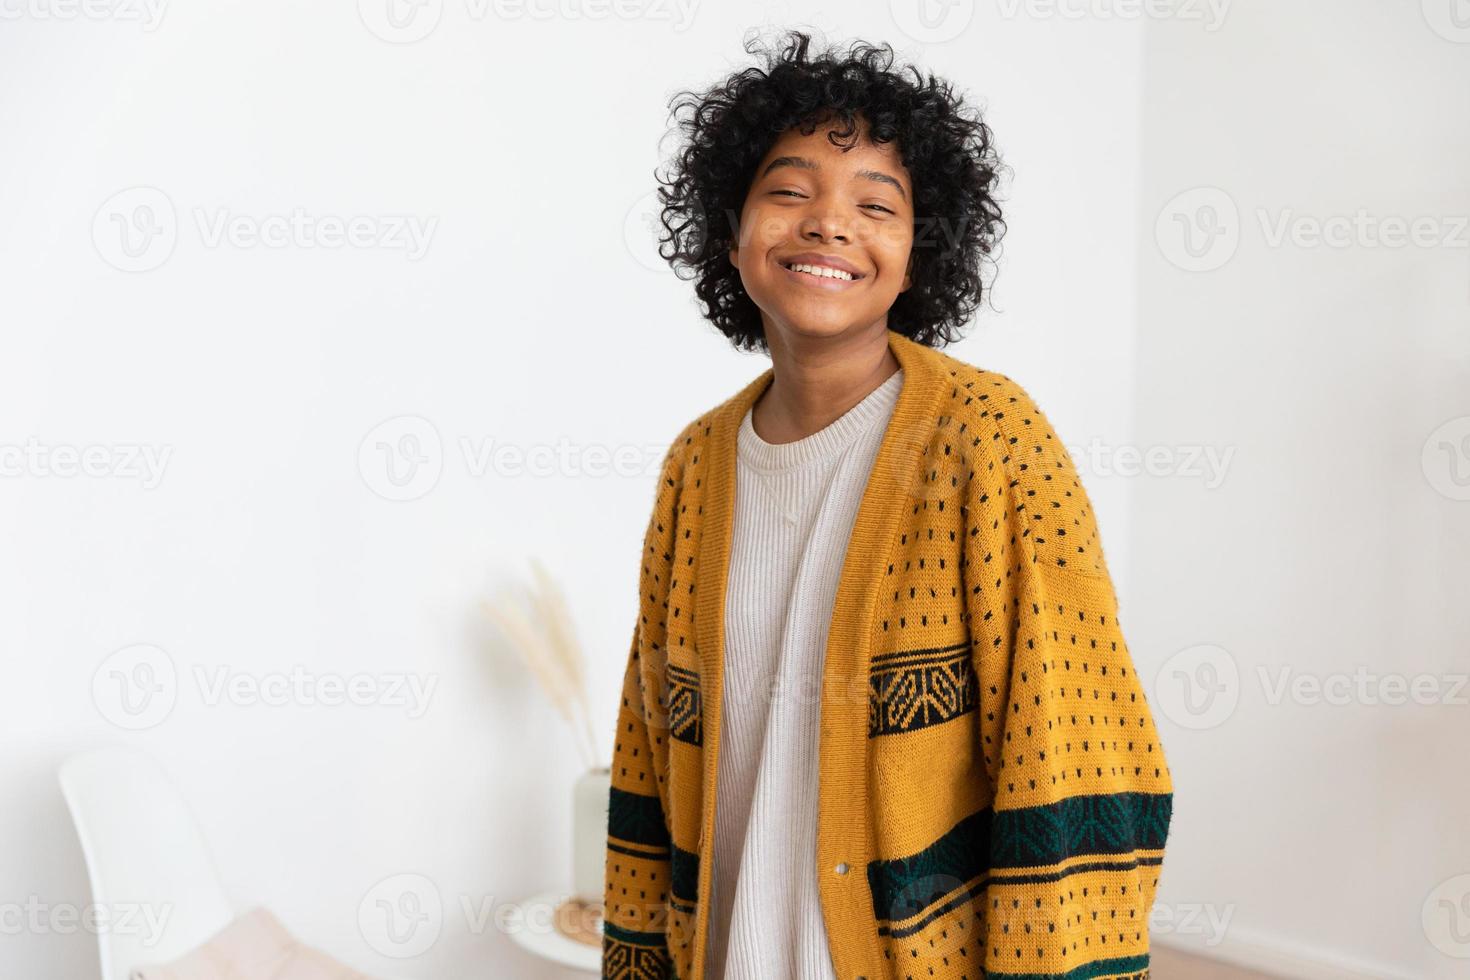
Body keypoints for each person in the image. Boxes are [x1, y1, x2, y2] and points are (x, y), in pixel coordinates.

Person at [603, 29, 1174, 980]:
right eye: (789, 192)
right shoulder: (695, 466)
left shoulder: (988, 440)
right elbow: (646, 750)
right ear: (731, 230)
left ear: (919, 255)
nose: (829, 224)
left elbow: (1077, 743)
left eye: (877, 203)